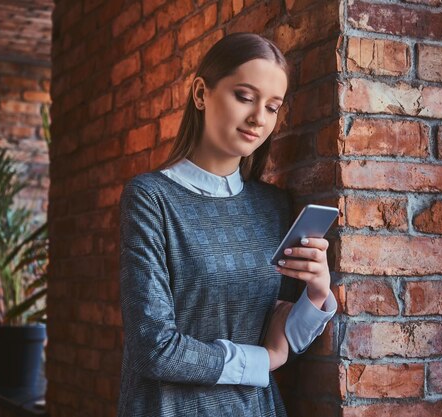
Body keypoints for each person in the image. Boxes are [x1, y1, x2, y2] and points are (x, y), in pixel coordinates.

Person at [118, 32, 337, 417]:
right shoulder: (151, 197)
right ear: (201, 94)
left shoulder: (272, 205)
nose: (259, 118)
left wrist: (316, 294)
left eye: (272, 106)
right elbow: (153, 347)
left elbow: (281, 334)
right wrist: (261, 361)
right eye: (245, 97)